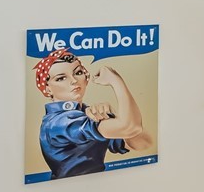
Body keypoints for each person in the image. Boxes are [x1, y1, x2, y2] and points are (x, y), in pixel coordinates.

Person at [32, 49, 153, 180]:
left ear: (86, 77)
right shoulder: (58, 122)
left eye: (78, 73)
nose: (73, 80)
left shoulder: (85, 113)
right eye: (61, 78)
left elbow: (143, 143)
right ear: (47, 89)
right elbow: (130, 127)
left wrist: (112, 116)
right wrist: (116, 81)